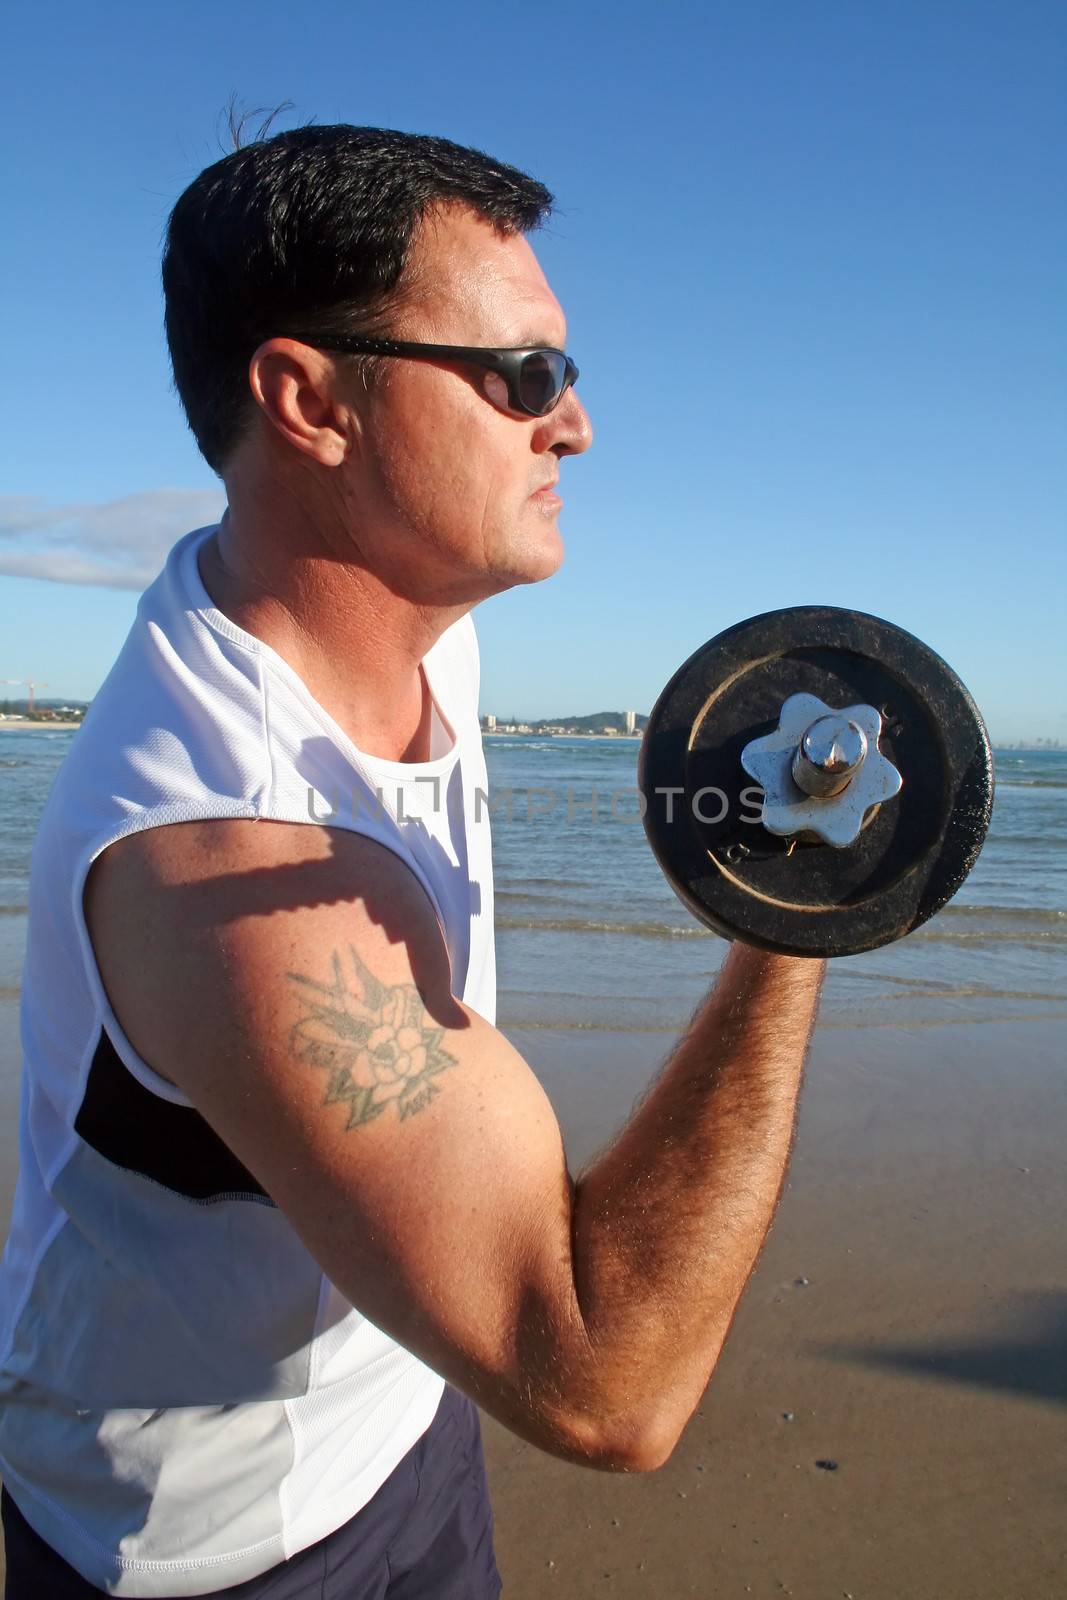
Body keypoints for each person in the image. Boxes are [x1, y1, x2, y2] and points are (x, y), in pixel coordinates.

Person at [0, 123, 824, 1597]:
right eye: (521, 379)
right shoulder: (231, 872)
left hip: (402, 1419)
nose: (569, 426)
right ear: (310, 400)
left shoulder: (409, 621)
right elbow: (604, 1380)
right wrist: (800, 913)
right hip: (206, 1543)